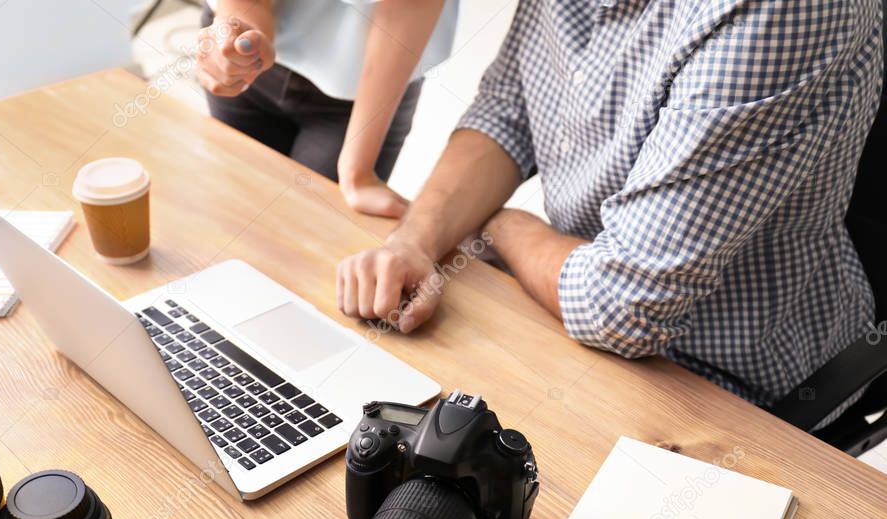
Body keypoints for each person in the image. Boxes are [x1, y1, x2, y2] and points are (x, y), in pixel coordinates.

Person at [336, 0, 884, 413]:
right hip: (565, 309)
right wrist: (415, 243)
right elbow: (508, 111)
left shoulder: (786, 9)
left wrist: (503, 225)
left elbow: (624, 305)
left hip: (723, 383)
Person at [196, 0, 457, 218]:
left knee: (308, 238)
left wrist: (358, 174)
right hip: (256, 67)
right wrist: (239, 28)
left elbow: (411, 6)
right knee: (229, 214)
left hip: (362, 93)